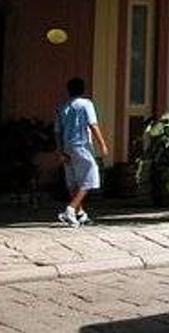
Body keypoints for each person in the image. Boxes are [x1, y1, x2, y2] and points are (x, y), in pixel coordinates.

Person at [54, 77, 109, 227]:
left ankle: (81, 214)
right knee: (90, 178)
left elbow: (57, 132)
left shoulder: (61, 108)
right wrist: (102, 144)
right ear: (83, 90)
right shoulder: (86, 104)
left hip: (67, 147)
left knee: (73, 182)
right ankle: (70, 209)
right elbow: (93, 125)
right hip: (81, 146)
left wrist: (60, 151)